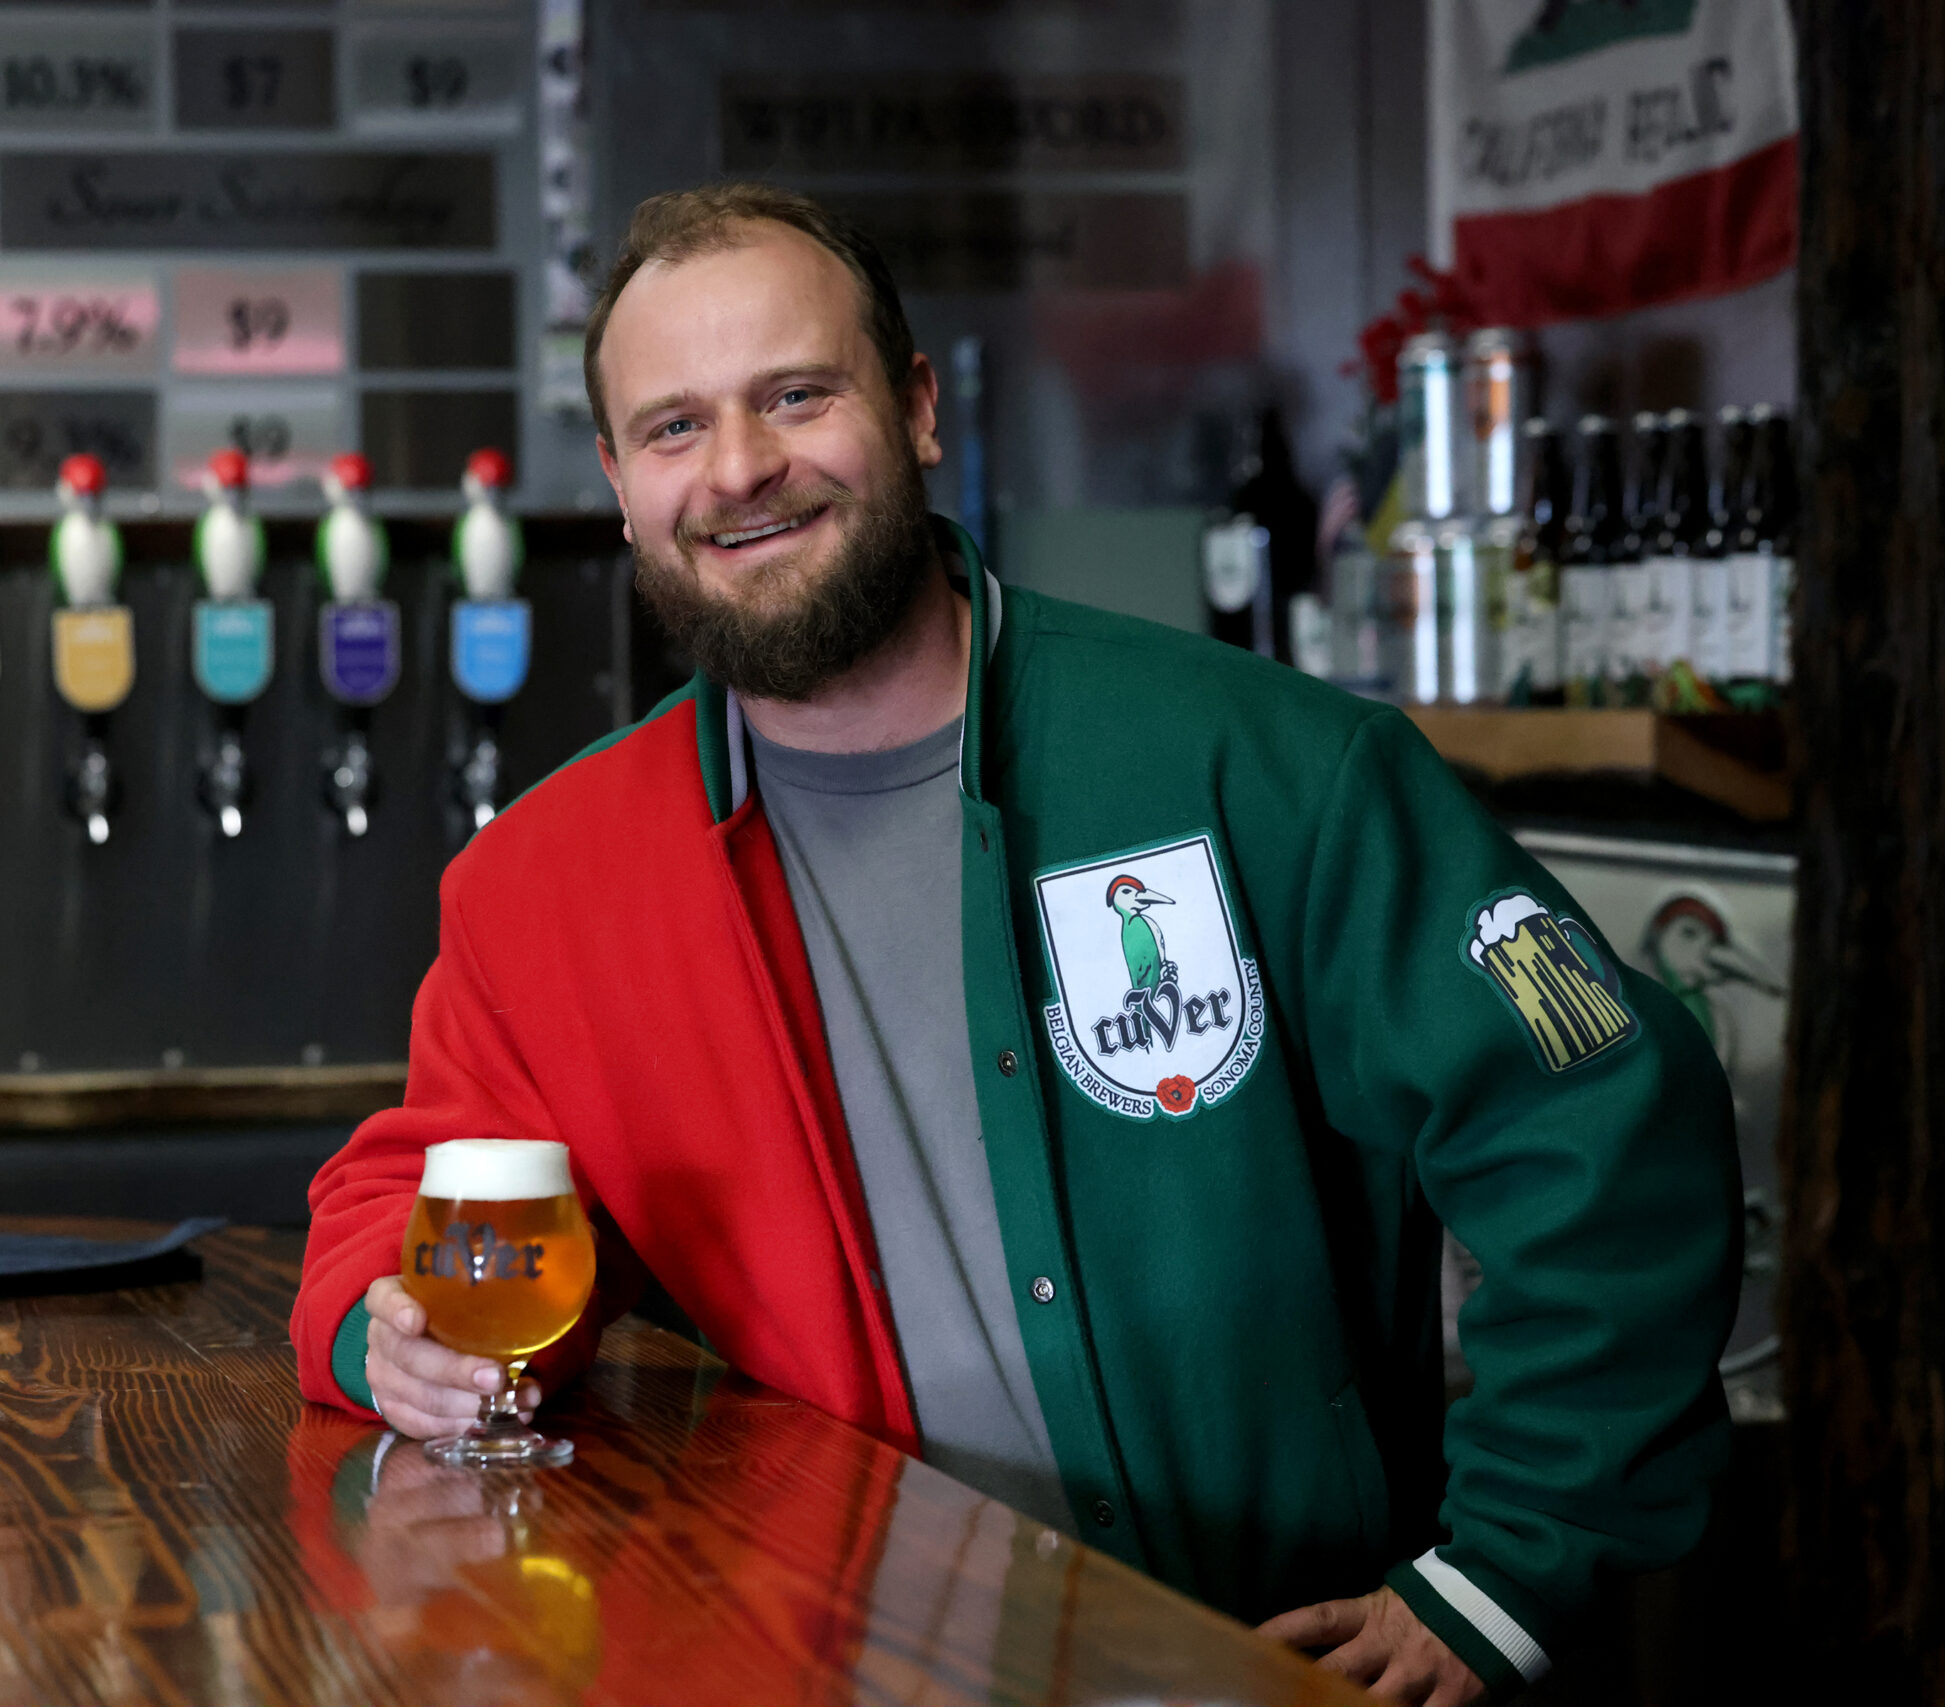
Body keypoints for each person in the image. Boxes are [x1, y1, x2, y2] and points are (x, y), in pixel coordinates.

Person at [295, 183, 1740, 1706]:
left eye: (798, 395)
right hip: (848, 1669)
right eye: (674, 428)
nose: (739, 470)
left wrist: (1503, 1574)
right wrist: (382, 1340)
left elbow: (1602, 1120)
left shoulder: (1265, 764)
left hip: (1268, 1668)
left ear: (916, 410)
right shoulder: (543, 888)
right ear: (618, 478)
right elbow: (397, 1199)